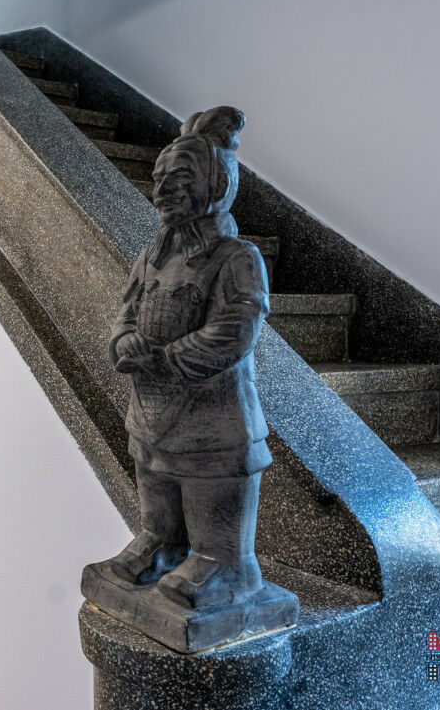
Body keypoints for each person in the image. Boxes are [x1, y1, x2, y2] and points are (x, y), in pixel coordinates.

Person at [100, 105, 272, 609]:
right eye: (159, 179)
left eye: (179, 178)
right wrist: (124, 343)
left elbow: (235, 331)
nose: (163, 189)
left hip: (213, 420)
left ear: (215, 184)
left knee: (208, 488)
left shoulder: (237, 259)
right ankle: (162, 544)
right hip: (151, 412)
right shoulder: (151, 258)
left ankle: (224, 564)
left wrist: (167, 358)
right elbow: (126, 314)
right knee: (156, 485)